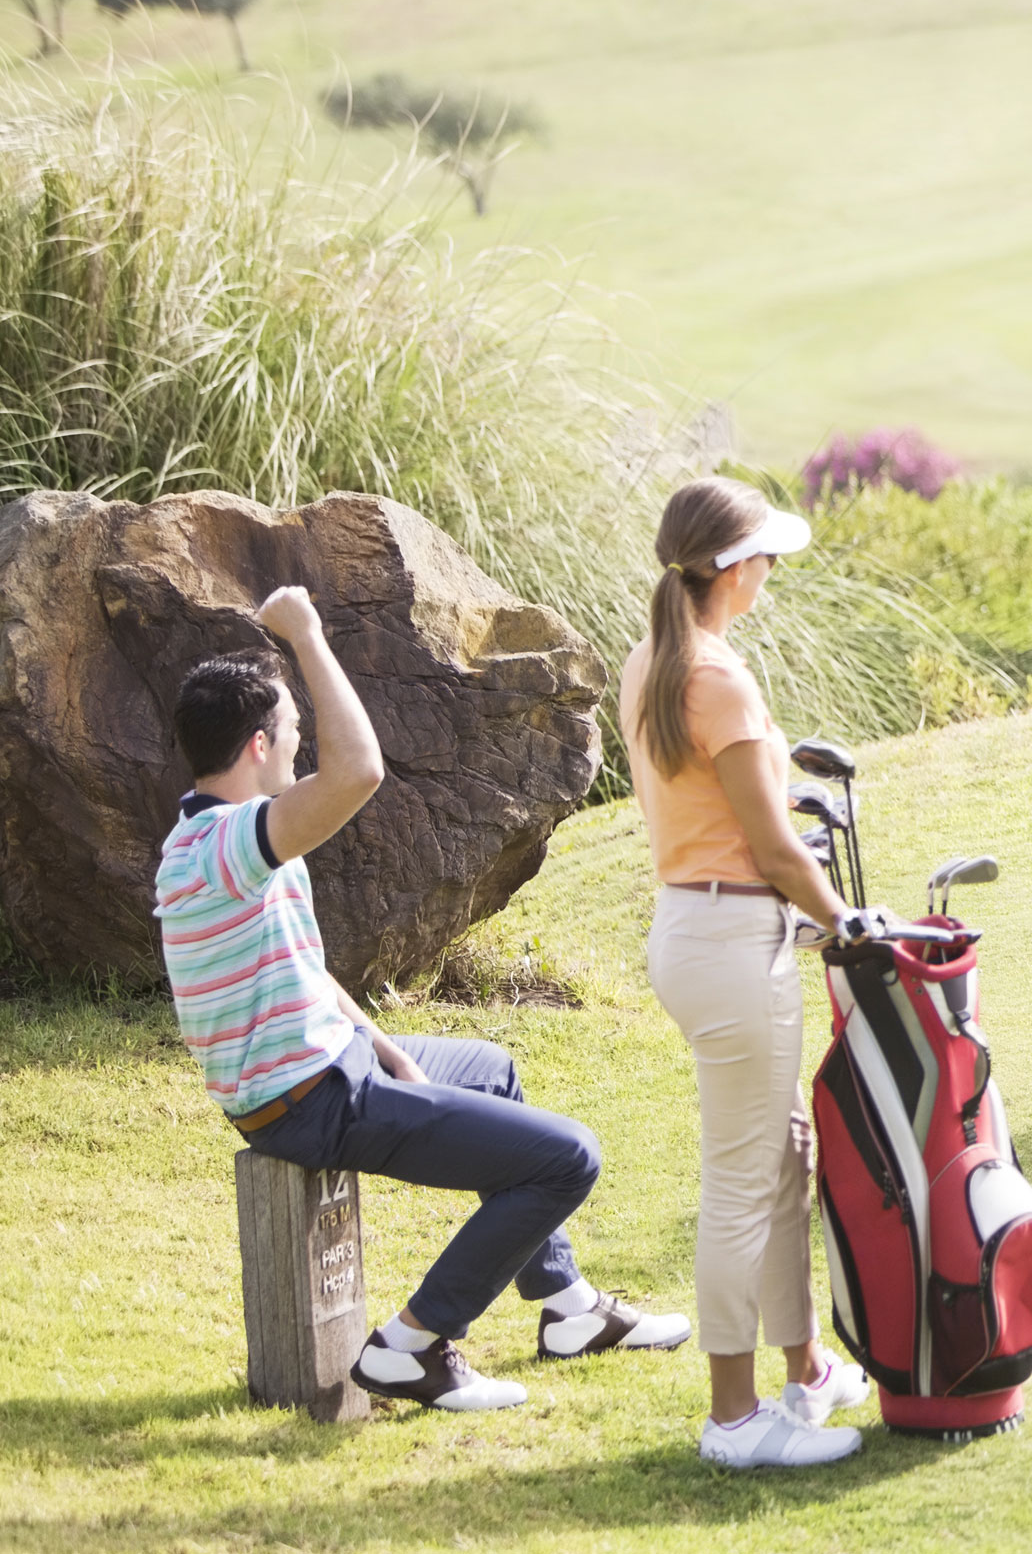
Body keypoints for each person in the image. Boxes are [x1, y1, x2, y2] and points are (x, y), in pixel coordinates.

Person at [157, 588, 690, 1415]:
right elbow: (360, 770)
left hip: (333, 1063)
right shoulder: (227, 841)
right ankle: (411, 1344)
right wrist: (305, 634)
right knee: (567, 1157)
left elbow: (301, 964)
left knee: (493, 1070)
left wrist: (377, 1039)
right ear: (259, 743)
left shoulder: (215, 840)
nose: (303, 743)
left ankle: (567, 1309)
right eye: (294, 731)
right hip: (307, 1100)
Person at [619, 476, 884, 1469]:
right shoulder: (714, 677)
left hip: (703, 933)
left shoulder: (654, 657)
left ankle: (805, 1370)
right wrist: (844, 918)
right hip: (732, 943)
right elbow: (772, 847)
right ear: (731, 568)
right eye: (764, 555)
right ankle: (734, 1421)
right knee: (742, 1182)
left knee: (785, 1160)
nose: (772, 568)